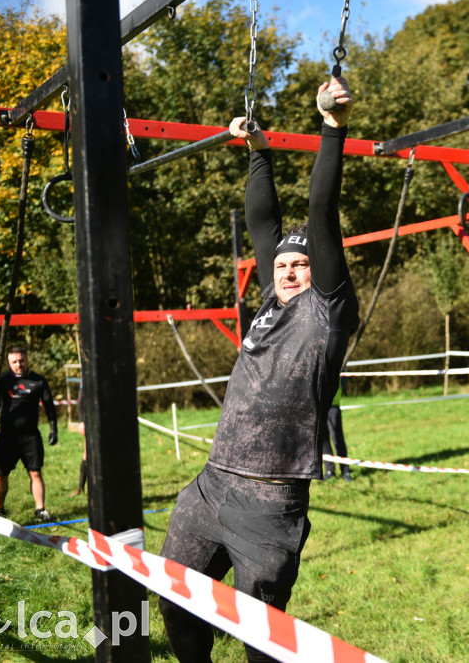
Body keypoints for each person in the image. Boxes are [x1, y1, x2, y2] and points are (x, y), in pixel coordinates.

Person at [158, 77, 358, 663]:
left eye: (300, 264)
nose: (290, 270)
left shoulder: (326, 311)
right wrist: (259, 152)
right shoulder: (270, 299)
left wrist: (332, 128)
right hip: (210, 482)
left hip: (270, 505)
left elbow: (321, 211)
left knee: (260, 641)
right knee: (172, 597)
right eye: (282, 264)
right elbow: (262, 220)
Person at [0, 346, 58, 522]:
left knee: (36, 473)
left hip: (30, 436)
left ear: (27, 359)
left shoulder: (38, 381)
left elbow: (50, 407)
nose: (18, 364)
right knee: (1, 474)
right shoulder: (1, 381)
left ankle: (40, 510)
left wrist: (54, 428)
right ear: (9, 362)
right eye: (14, 362)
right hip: (6, 435)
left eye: (21, 360)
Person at [322, 376, 352, 481]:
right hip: (318, 404)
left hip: (333, 404)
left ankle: (345, 470)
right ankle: (330, 470)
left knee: (337, 437)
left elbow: (343, 381)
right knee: (323, 438)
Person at [70, 383, 86, 497]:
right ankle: (81, 487)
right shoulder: (86, 376)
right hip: (91, 420)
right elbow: (81, 401)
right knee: (88, 454)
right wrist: (82, 421)